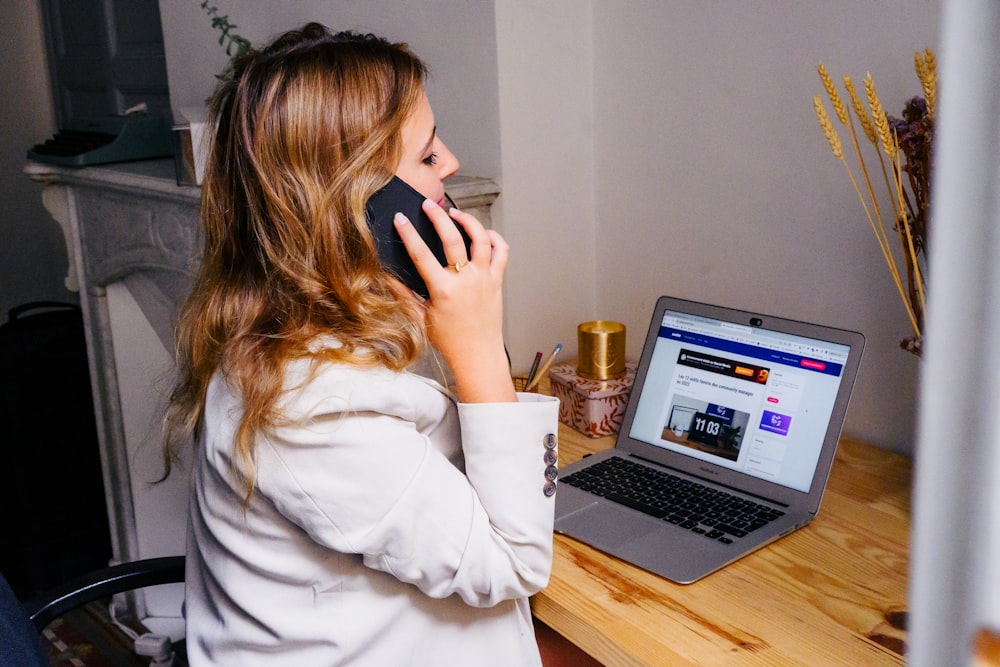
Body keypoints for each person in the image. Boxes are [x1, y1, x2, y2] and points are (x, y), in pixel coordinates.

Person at [164, 22, 561, 666]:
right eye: (428, 157)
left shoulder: (281, 334)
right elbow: (510, 565)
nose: (452, 164)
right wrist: (480, 349)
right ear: (357, 212)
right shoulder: (307, 407)